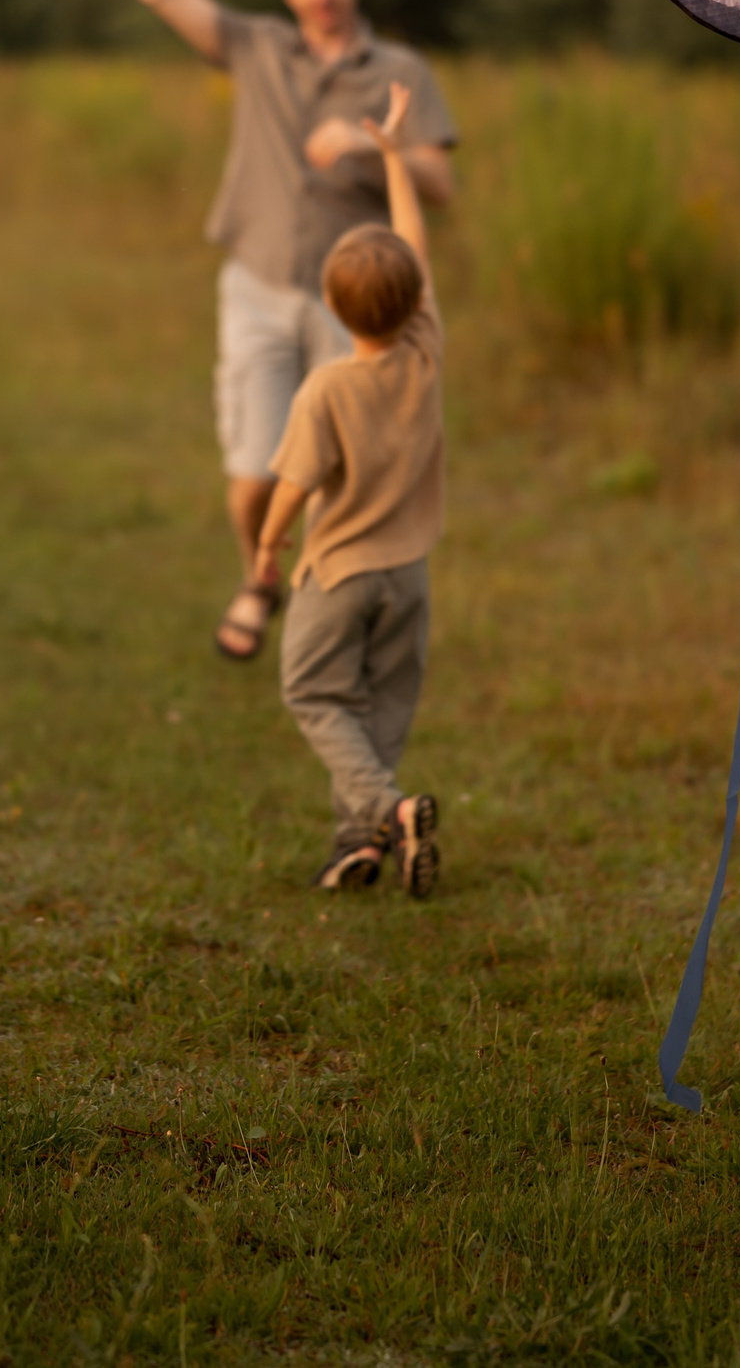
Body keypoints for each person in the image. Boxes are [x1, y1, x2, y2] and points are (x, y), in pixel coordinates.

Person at [132, 0, 458, 663]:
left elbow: (441, 184)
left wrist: (371, 144)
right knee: (252, 476)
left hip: (359, 308)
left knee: (334, 479)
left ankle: (319, 618)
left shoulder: (400, 73)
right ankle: (260, 573)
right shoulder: (255, 47)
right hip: (258, 285)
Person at [252, 83, 444, 896]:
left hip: (338, 571)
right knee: (377, 708)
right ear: (410, 303)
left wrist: (266, 548)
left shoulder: (327, 388)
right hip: (410, 574)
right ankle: (358, 840)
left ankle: (387, 809)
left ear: (333, 306)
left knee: (313, 689)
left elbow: (293, 484)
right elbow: (414, 243)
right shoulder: (426, 350)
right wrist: (395, 154)